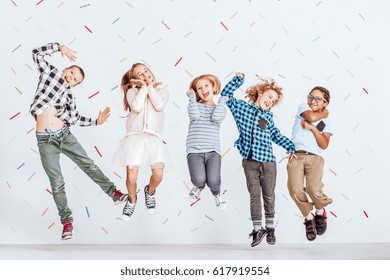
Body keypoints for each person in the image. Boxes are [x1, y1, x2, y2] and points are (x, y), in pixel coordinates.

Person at [30, 42, 128, 241]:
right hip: (44, 140)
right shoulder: (50, 73)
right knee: (56, 182)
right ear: (65, 69)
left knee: (88, 164)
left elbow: (74, 119)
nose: (71, 77)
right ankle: (67, 222)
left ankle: (114, 193)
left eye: (74, 79)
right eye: (71, 73)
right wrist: (59, 47)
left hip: (64, 136)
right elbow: (36, 54)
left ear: (74, 85)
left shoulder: (69, 97)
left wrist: (96, 122)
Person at [221, 72, 296, 247]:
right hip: (250, 162)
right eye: (269, 96)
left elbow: (276, 136)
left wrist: (291, 147)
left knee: (269, 195)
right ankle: (257, 229)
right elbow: (226, 95)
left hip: (268, 162)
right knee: (254, 195)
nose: (271, 101)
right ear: (260, 92)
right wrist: (238, 80)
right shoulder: (241, 108)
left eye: (274, 100)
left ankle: (270, 229)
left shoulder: (268, 117)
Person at [112, 63, 169, 221]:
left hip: (153, 138)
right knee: (131, 177)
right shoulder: (132, 92)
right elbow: (136, 107)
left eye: (146, 71)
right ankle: (132, 200)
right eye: (140, 74)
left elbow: (159, 105)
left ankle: (149, 192)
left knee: (158, 175)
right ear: (136, 80)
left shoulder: (161, 90)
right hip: (135, 137)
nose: (145, 75)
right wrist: (143, 88)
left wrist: (150, 87)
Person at [287, 86, 333, 241]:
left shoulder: (325, 122)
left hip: (315, 158)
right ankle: (308, 217)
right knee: (295, 189)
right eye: (311, 97)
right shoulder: (303, 108)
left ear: (325, 102)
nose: (313, 101)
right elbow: (311, 117)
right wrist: (322, 113)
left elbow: (324, 144)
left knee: (314, 189)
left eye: (318, 99)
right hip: (296, 156)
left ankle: (320, 211)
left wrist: (313, 128)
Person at [186, 74, 228, 210]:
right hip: (194, 150)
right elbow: (194, 115)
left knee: (214, 181)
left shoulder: (219, 108)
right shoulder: (194, 105)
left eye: (206, 86)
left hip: (213, 151)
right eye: (199, 88)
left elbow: (216, 117)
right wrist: (191, 98)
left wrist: (221, 101)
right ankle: (198, 187)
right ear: (196, 92)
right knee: (199, 179)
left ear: (213, 87)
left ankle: (217, 194)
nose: (203, 89)